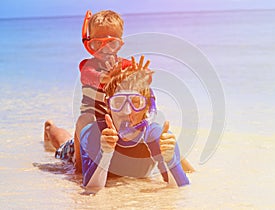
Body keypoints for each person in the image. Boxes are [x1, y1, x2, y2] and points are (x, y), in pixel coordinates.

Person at [44, 56, 190, 190]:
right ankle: (50, 127)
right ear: (108, 106)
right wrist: (105, 153)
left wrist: (170, 159)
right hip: (75, 152)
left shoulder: (155, 135)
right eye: (118, 102)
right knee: (64, 145)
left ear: (147, 107)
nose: (126, 112)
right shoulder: (94, 134)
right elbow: (91, 187)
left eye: (136, 103)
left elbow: (180, 186)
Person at [72, 10, 132, 172]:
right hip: (90, 130)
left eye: (111, 43)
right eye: (98, 43)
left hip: (116, 125)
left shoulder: (126, 66)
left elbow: (140, 87)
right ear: (88, 44)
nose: (105, 49)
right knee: (83, 119)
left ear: (120, 43)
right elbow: (91, 77)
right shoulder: (86, 65)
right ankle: (77, 167)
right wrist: (107, 78)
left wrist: (142, 76)